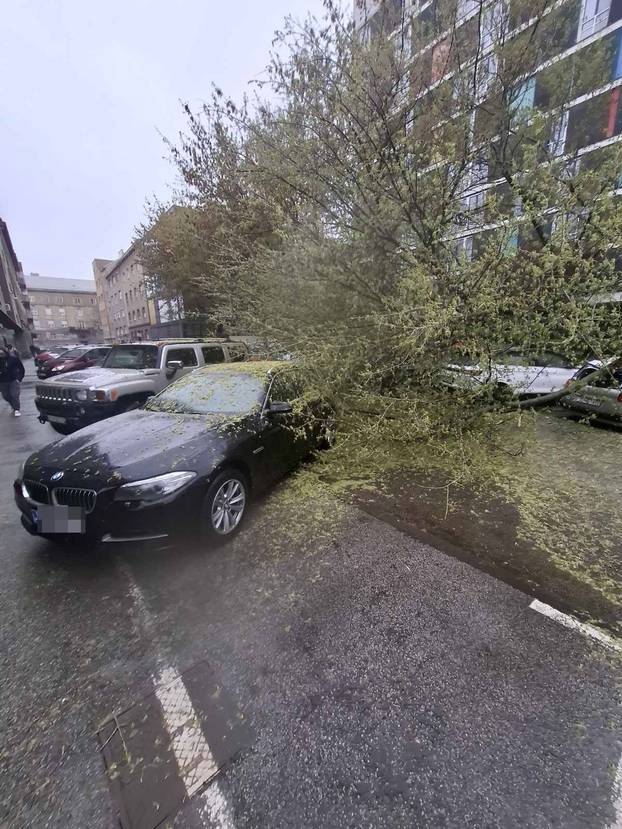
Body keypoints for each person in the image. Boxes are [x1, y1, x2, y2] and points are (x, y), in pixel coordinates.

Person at [0, 346, 25, 416]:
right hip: (2, 381)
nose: (1, 355)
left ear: (5, 352)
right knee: (6, 396)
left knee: (14, 395)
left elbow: (21, 368)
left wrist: (19, 378)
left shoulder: (13, 359)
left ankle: (17, 409)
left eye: (2, 354)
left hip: (13, 380)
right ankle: (13, 405)